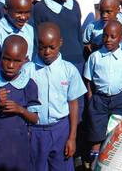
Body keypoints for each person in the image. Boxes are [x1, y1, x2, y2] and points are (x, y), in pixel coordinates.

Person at [24, 22, 86, 171]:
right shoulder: (27, 71)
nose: (47, 52)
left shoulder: (69, 70)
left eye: (52, 47)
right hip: (34, 131)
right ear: (36, 44)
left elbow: (73, 104)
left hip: (60, 130)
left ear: (60, 43)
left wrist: (72, 137)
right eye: (42, 47)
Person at [83, 20, 122, 158]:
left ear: (121, 38)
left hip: (119, 99)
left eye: (113, 37)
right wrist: (90, 100)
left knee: (117, 132)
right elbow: (88, 80)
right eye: (105, 36)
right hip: (99, 99)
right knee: (96, 131)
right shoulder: (95, 57)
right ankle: (94, 160)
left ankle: (113, 160)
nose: (108, 40)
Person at [0, 35, 39, 171]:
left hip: (18, 142)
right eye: (6, 59)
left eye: (17, 61)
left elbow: (35, 118)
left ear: (25, 60)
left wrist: (20, 110)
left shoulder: (28, 85)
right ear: (0, 55)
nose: (10, 65)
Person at [33, 0, 85, 93]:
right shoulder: (41, 8)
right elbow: (36, 40)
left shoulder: (75, 5)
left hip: (77, 61)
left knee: (76, 101)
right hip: (54, 64)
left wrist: (81, 57)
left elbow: (78, 35)